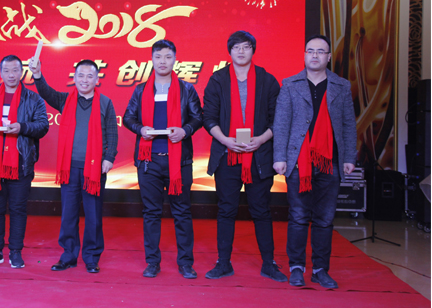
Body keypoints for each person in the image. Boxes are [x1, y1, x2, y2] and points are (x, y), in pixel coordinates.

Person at [273, 35, 357, 289]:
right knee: (298, 216)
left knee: (325, 218)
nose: (315, 55)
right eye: (310, 51)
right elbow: (281, 123)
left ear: (328, 57)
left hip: (330, 161)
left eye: (321, 52)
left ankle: (321, 269)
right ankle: (297, 267)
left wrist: (349, 157)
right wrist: (279, 157)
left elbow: (348, 124)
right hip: (299, 161)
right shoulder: (290, 84)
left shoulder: (341, 86)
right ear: (304, 55)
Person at [202, 31, 287, 282]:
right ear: (229, 51)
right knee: (226, 210)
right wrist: (226, 140)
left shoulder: (267, 81)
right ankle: (223, 263)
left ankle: (269, 264)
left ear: (253, 50)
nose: (241, 51)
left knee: (261, 210)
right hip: (226, 156)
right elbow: (209, 118)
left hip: (259, 156)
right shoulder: (217, 80)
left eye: (246, 47)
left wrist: (260, 139)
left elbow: (277, 119)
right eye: (236, 47)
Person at [123, 39, 203, 279]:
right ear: (152, 60)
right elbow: (128, 117)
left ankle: (186, 263)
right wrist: (140, 129)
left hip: (179, 162)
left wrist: (185, 131)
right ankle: (152, 262)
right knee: (151, 213)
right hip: (149, 162)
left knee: (182, 212)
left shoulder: (186, 89)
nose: (163, 61)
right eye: (158, 57)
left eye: (168, 57)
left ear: (175, 59)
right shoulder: (141, 89)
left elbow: (198, 117)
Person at [32, 59, 118, 274]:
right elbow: (46, 93)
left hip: (94, 169)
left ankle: (91, 257)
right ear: (74, 78)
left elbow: (112, 133)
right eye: (81, 75)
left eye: (90, 76)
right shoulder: (65, 100)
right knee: (68, 214)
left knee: (93, 215)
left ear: (97, 79)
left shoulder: (105, 103)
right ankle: (68, 256)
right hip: (69, 168)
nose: (85, 80)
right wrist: (37, 74)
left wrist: (108, 158)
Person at [0, 55, 49, 269]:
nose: (11, 75)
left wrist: (22, 127)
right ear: (0, 73)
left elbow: (43, 126)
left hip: (21, 162)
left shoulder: (33, 98)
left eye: (15, 70)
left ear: (21, 72)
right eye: (6, 71)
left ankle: (15, 251)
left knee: (18, 209)